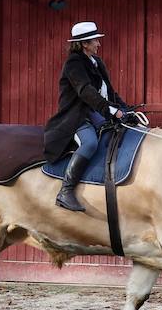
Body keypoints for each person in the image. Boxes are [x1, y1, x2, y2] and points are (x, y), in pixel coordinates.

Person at [44, 21, 131, 212]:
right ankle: (65, 191)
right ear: (85, 43)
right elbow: (86, 92)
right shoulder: (73, 63)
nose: (99, 44)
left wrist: (124, 109)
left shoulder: (97, 62)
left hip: (96, 113)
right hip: (76, 116)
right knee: (90, 143)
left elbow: (109, 91)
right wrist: (110, 110)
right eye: (95, 41)